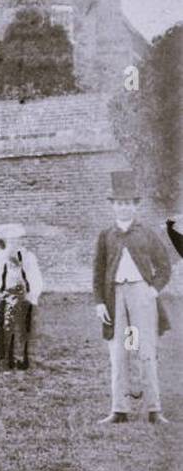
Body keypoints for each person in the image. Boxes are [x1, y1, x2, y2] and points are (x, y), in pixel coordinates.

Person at [93, 171, 173, 425]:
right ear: (113, 206)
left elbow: (164, 266)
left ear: (135, 205)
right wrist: (99, 302)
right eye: (119, 203)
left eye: (128, 203)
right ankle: (120, 409)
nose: (124, 207)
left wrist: (153, 290)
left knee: (145, 350)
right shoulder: (106, 235)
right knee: (119, 352)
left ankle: (154, 409)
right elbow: (97, 272)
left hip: (141, 296)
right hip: (115, 296)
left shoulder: (146, 233)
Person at [0, 224, 44, 370]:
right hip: (7, 295)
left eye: (17, 240)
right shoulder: (0, 256)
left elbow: (34, 276)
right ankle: (5, 358)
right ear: (6, 241)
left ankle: (21, 359)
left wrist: (34, 294)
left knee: (22, 328)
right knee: (7, 326)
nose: (15, 243)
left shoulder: (27, 256)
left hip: (24, 296)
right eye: (11, 240)